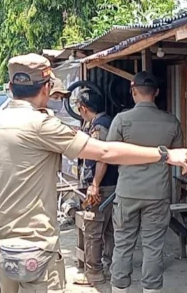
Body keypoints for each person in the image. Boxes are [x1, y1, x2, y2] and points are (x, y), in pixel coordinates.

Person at [0, 53, 187, 293]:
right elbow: (105, 152)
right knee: (151, 245)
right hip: (36, 245)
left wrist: (95, 183)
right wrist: (165, 154)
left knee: (123, 244)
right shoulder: (42, 125)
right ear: (46, 87)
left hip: (0, 242)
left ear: (12, 86)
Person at [108, 71, 184, 293]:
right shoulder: (171, 121)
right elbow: (176, 157)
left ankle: (119, 288)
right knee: (153, 248)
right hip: (158, 194)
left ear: (133, 91)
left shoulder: (121, 120)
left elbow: (109, 153)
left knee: (123, 245)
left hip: (127, 192)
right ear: (157, 93)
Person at [75, 88, 117, 287]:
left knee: (93, 229)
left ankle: (94, 273)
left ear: (83, 108)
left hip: (102, 187)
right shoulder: (103, 122)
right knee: (109, 229)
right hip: (110, 185)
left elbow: (102, 158)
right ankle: (109, 267)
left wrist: (94, 185)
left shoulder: (100, 126)